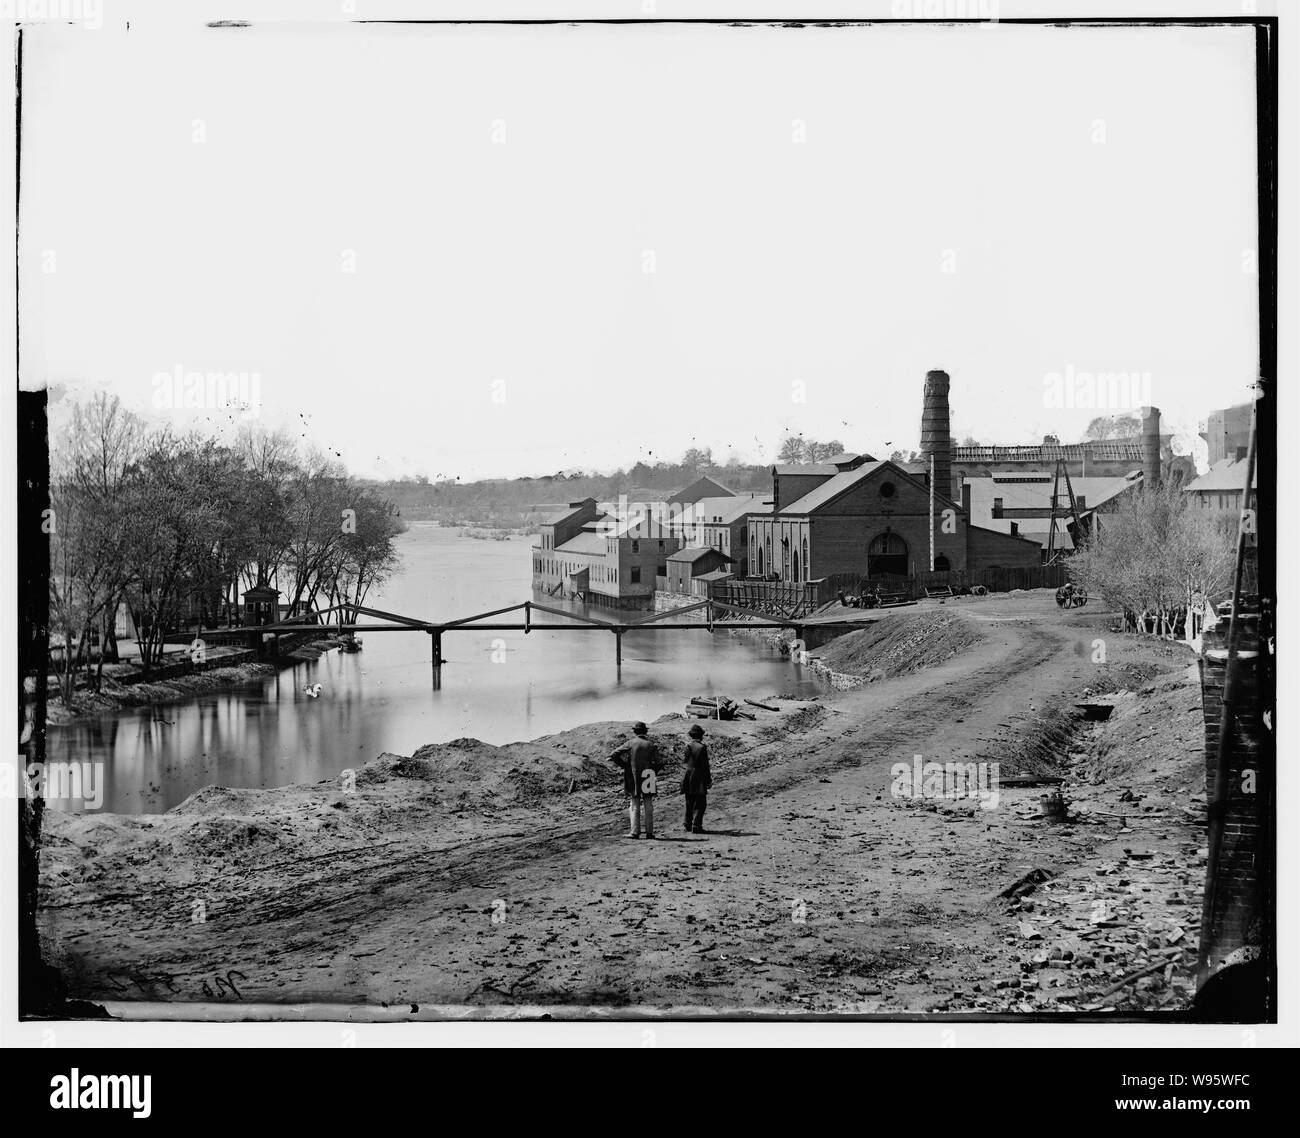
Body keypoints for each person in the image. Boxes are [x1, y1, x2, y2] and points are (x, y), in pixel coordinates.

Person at [609, 721, 663, 839]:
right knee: (649, 804)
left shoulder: (630, 743)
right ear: (646, 731)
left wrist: (625, 766)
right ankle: (650, 832)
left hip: (633, 776)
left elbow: (614, 754)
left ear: (635, 732)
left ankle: (635, 832)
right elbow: (660, 762)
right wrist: (653, 771)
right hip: (648, 776)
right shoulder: (651, 745)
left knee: (634, 803)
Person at [680, 723, 712, 834]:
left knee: (689, 801)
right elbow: (705, 766)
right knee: (701, 802)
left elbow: (685, 763)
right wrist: (708, 780)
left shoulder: (687, 746)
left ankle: (687, 824)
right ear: (700, 735)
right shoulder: (702, 747)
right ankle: (697, 825)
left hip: (687, 776)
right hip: (698, 777)